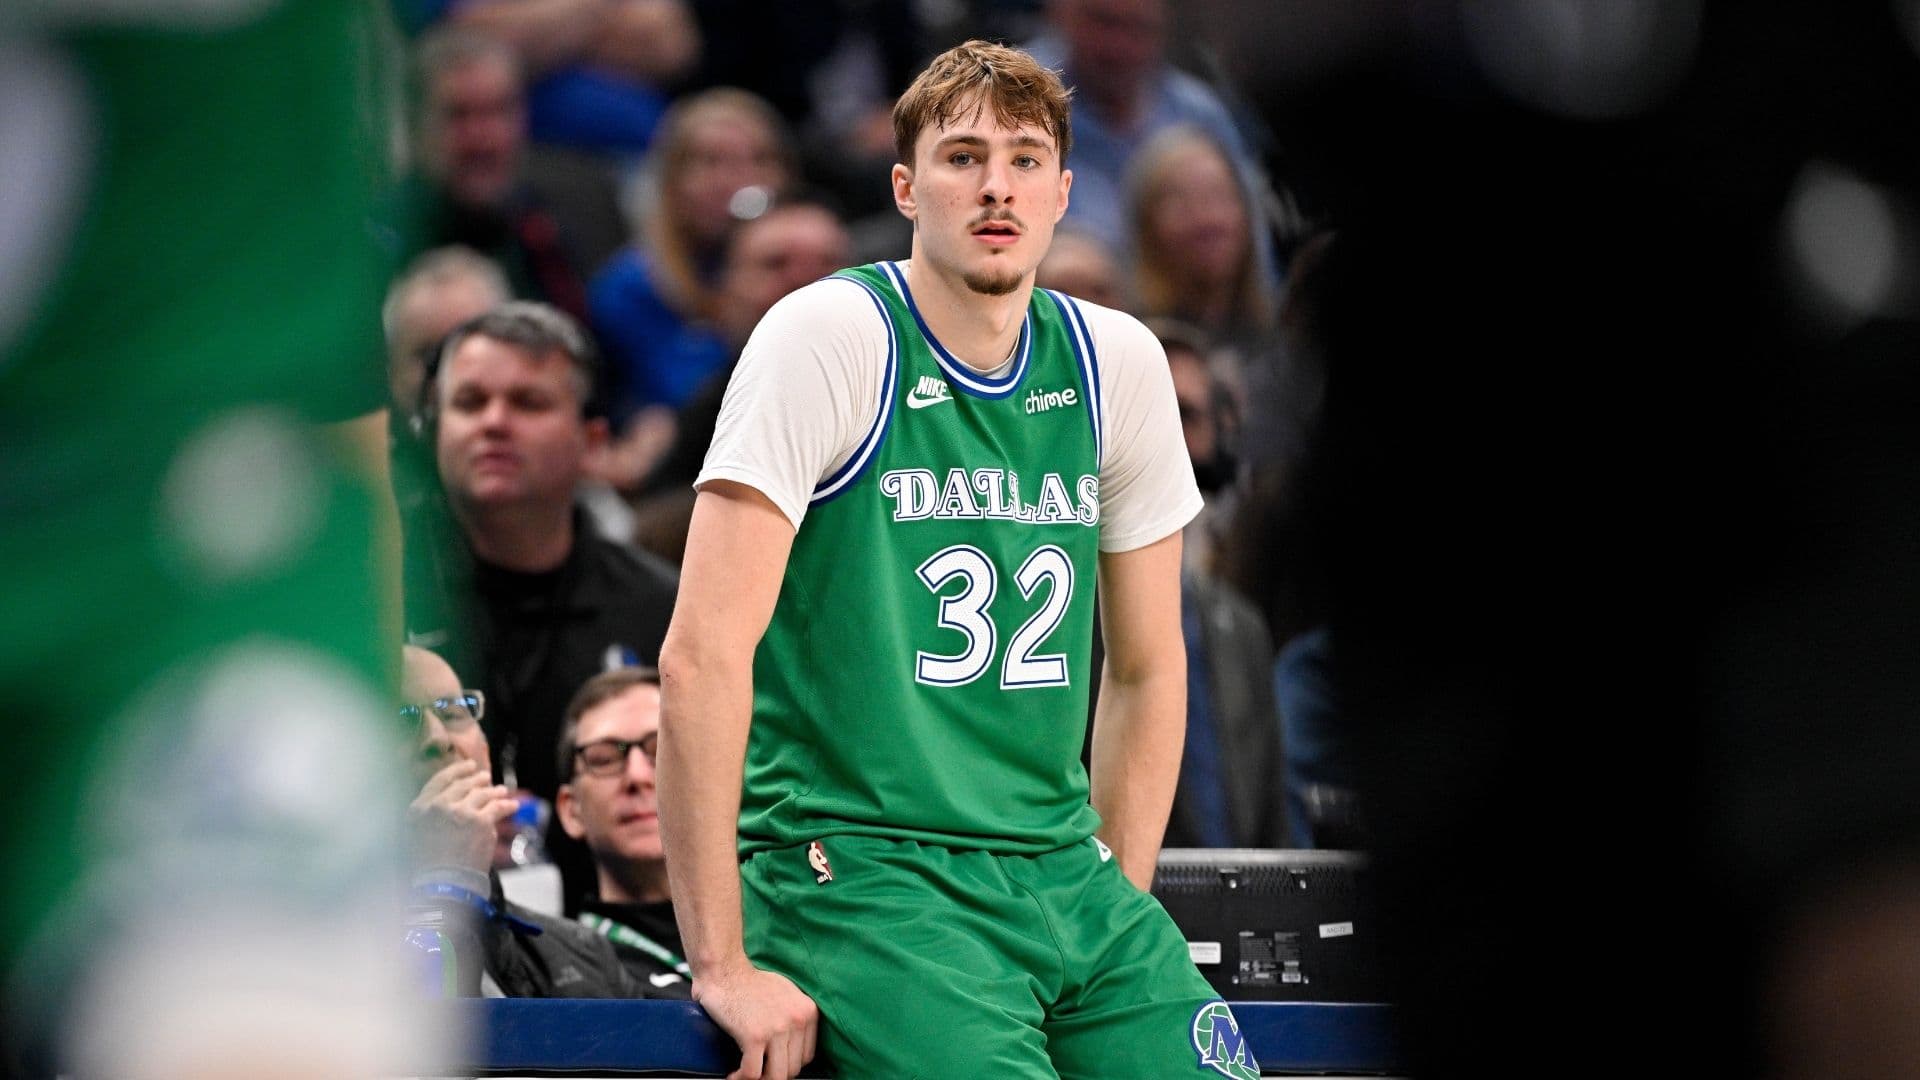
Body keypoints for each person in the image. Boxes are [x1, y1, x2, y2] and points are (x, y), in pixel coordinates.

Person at [657, 39, 1258, 1080]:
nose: (996, 187)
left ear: (1064, 192)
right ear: (906, 187)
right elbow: (701, 657)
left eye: (1026, 160)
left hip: (1060, 866)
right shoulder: (830, 335)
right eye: (963, 157)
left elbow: (1149, 665)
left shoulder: (1120, 361)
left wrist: (1116, 893)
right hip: (859, 870)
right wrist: (721, 961)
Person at [407, 301, 678, 908]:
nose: (494, 422)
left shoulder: (662, 609)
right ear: (433, 429)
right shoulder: (381, 593)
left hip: (611, 933)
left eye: (528, 403)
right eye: (469, 402)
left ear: (592, 441)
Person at [404, 645, 653, 997]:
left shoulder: (585, 955)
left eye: (453, 712)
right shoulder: (329, 948)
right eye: (402, 718)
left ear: (485, 750)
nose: (438, 739)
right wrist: (447, 884)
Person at [553, 667, 691, 997]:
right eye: (603, 759)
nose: (637, 776)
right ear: (571, 811)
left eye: (661, 748)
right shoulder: (560, 974)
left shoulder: (779, 935)